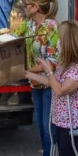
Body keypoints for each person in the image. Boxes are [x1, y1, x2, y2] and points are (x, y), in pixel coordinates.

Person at [10, 0, 59, 156]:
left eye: (27, 4)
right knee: (40, 124)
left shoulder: (52, 27)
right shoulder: (29, 24)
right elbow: (15, 36)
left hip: (49, 84)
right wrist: (0, 34)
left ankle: (51, 153)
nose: (24, 7)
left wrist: (27, 71)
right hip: (34, 83)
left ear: (35, 7)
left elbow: (52, 62)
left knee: (48, 125)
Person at [25, 20, 78, 156]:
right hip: (60, 122)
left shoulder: (76, 68)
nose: (57, 43)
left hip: (72, 125)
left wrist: (48, 71)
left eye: (60, 39)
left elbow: (60, 90)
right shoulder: (65, 63)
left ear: (67, 42)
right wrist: (27, 74)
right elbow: (52, 82)